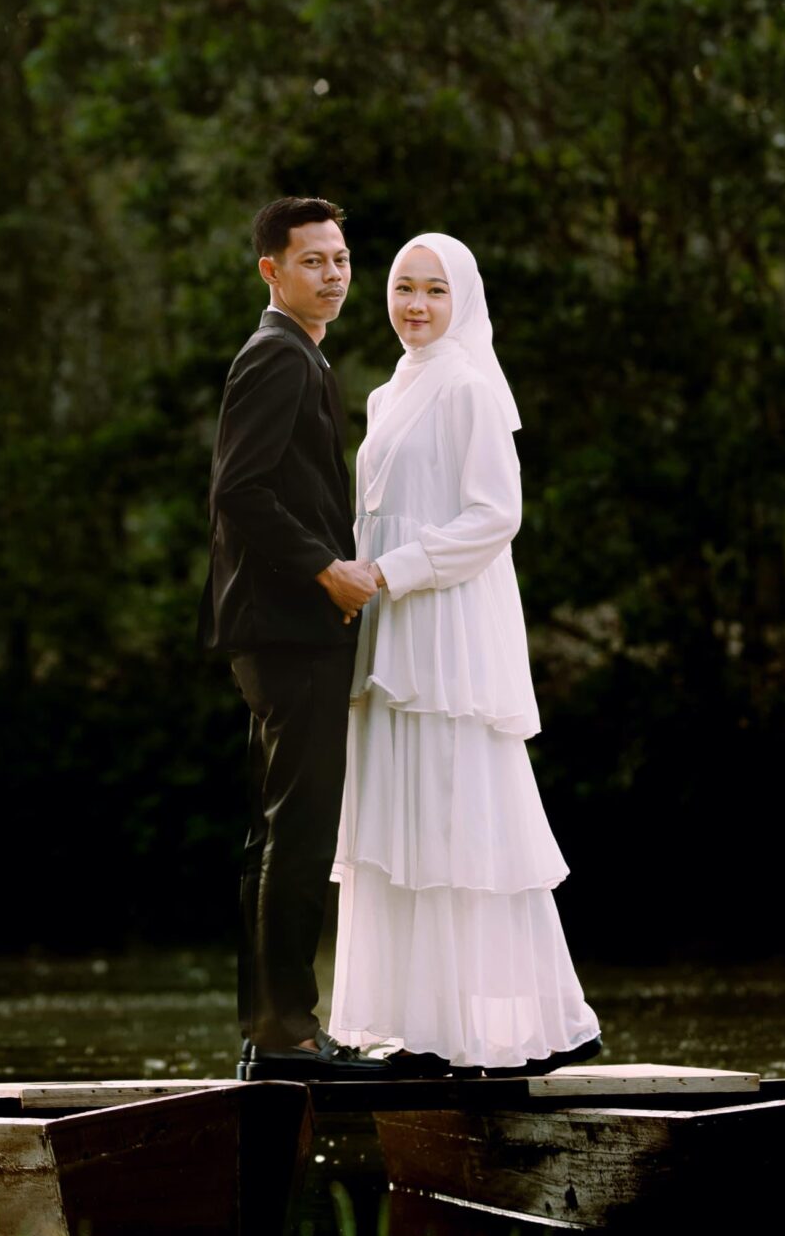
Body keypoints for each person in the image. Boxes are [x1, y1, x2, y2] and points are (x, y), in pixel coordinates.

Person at [329, 232, 601, 1074]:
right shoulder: (385, 395)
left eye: (434, 290)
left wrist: (391, 571)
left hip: (446, 629)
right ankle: (423, 1030)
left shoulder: (470, 388)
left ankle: (543, 1025)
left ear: (463, 300)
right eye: (403, 287)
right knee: (402, 820)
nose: (415, 304)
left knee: (460, 815)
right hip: (388, 633)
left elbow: (494, 516)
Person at [199, 196, 382, 1078]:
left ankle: (272, 1032)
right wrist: (326, 569)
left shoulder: (299, 353)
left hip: (278, 630)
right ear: (271, 270)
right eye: (313, 260)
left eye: (340, 259)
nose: (333, 274)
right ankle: (290, 1039)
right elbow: (239, 490)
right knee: (299, 834)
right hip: (288, 629)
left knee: (276, 832)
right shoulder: (276, 354)